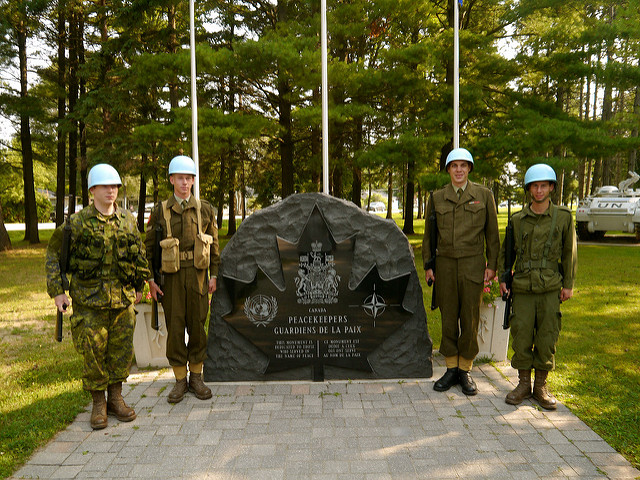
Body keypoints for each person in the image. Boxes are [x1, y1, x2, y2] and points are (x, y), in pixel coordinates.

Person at [45, 164, 150, 429]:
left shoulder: (127, 219)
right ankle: (98, 404)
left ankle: (116, 398)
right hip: (89, 300)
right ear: (92, 190)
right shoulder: (76, 224)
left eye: (114, 186)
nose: (111, 191)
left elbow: (138, 255)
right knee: (93, 351)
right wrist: (58, 291)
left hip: (122, 300)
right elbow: (53, 255)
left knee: (121, 350)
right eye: (105, 186)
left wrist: (139, 286)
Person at [422, 147, 500, 395]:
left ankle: (465, 369)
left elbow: (493, 235)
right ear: (448, 170)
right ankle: (450, 368)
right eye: (454, 166)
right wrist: (429, 265)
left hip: (472, 264)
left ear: (469, 169)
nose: (458, 170)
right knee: (448, 317)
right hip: (445, 264)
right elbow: (429, 235)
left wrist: (492, 266)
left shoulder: (484, 195)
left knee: (470, 316)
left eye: (463, 166)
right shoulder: (437, 197)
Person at [499, 163, 577, 410]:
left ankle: (541, 386)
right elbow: (506, 252)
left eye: (544, 185)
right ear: (529, 190)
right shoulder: (517, 219)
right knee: (521, 333)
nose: (540, 190)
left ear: (551, 187)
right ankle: (523, 384)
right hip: (522, 287)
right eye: (535, 186)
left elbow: (569, 253)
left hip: (550, 287)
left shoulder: (563, 217)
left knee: (546, 336)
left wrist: (568, 285)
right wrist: (503, 279)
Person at [145, 155, 220, 404]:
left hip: (198, 278)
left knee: (198, 327)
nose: (185, 183)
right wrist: (151, 280)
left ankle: (196, 377)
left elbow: (215, 246)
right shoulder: (160, 211)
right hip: (172, 279)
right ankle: (179, 380)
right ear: (171, 180)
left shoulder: (205, 209)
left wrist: (215, 276)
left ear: (193, 181)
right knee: (175, 329)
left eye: (189, 178)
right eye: (180, 178)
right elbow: (150, 249)